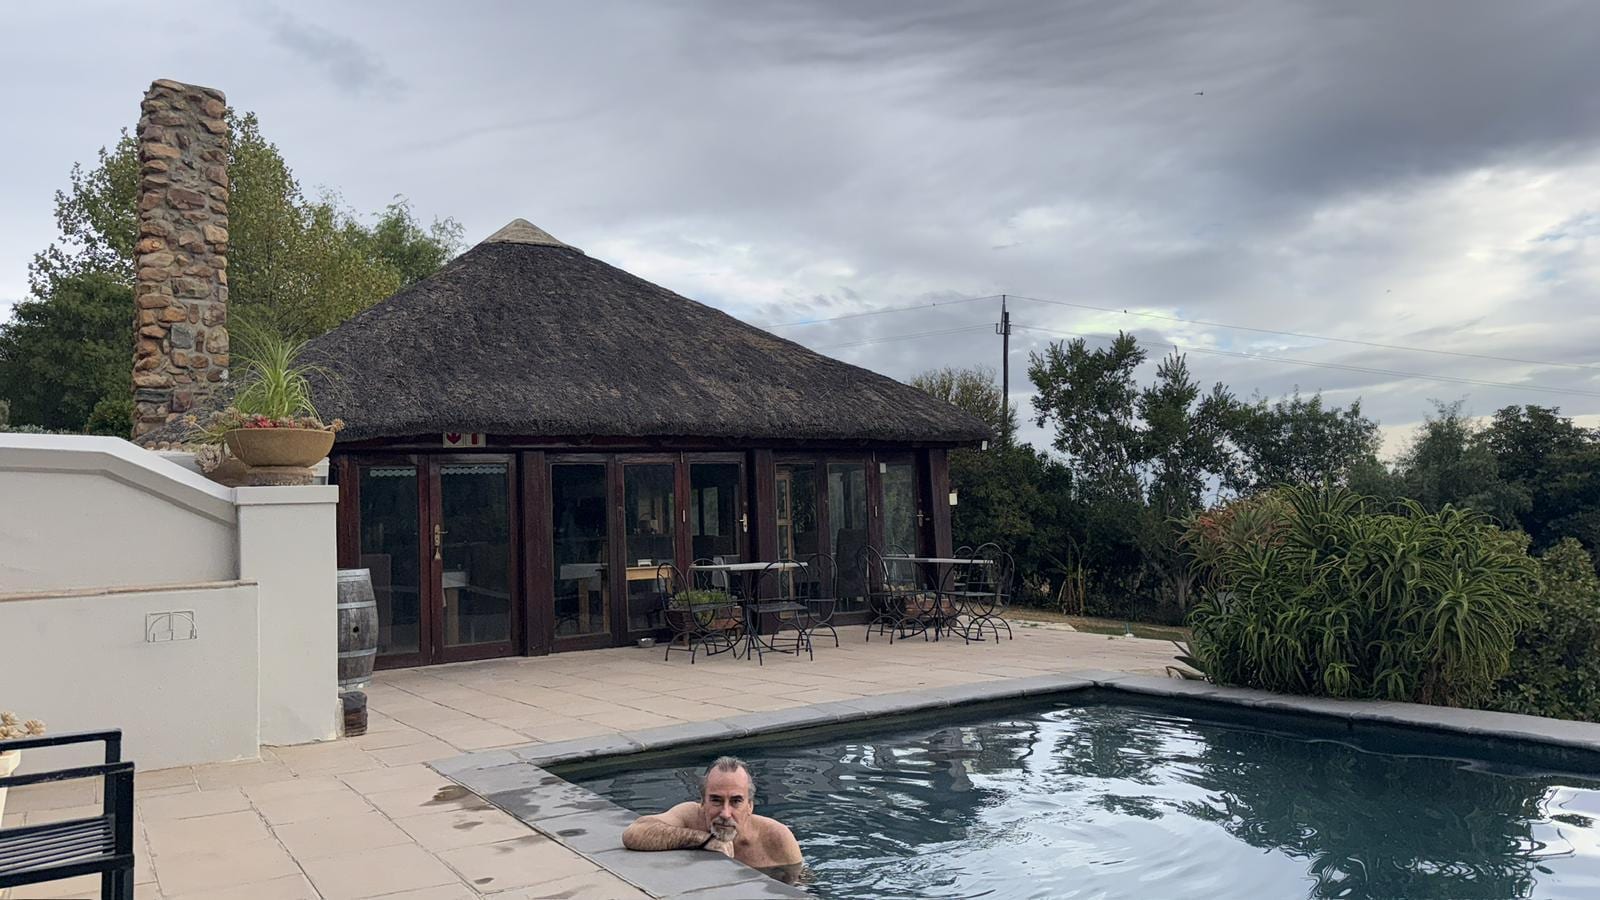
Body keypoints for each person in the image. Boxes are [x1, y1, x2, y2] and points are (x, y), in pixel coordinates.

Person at [621, 756, 804, 884]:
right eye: (716, 800)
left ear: (750, 806)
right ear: (702, 802)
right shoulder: (690, 816)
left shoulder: (776, 838)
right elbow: (634, 833)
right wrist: (703, 840)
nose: (725, 813)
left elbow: (799, 886)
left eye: (736, 801)